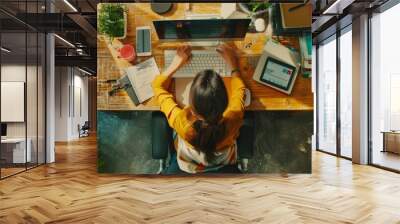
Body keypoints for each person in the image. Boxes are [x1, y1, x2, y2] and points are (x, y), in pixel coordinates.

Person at [151, 44, 246, 174]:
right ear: (226, 103)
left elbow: (157, 87)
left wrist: (175, 64)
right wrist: (234, 66)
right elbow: (240, 90)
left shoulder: (182, 122)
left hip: (189, 165)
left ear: (192, 109)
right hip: (223, 163)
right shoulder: (234, 116)